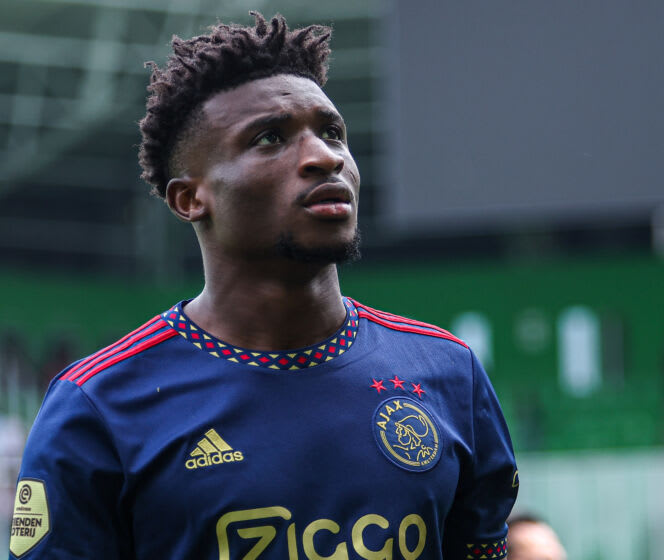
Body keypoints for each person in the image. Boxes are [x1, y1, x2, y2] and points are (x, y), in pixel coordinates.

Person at [9, 12, 518, 559]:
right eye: (271, 138)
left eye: (332, 132)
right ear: (189, 198)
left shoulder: (447, 373)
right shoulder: (98, 406)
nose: (325, 157)